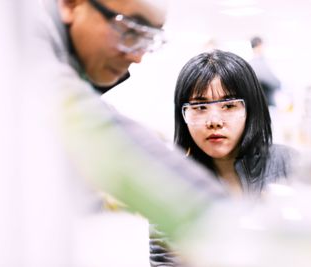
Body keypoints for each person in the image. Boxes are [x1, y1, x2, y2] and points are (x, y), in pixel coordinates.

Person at [19, 0, 229, 264]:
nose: (137, 56)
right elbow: (90, 127)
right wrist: (229, 227)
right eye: (130, 30)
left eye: (149, 38)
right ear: (71, 5)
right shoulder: (18, 43)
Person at [149, 49, 296, 266]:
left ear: (251, 108)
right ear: (183, 115)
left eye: (228, 105)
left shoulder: (289, 164)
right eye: (199, 107)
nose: (214, 121)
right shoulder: (171, 184)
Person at [248, 36, 281, 106]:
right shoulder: (258, 63)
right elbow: (274, 83)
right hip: (266, 102)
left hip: (257, 102)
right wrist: (279, 84)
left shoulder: (250, 63)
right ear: (259, 45)